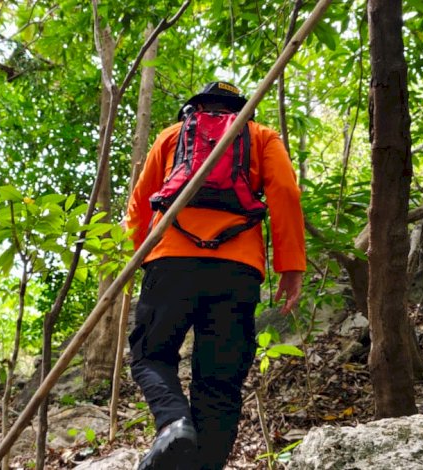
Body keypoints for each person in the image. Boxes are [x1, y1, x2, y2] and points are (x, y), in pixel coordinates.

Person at [125, 81, 306, 469]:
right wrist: (290, 266)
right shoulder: (260, 136)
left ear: (196, 109)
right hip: (236, 271)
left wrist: (137, 257)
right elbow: (286, 193)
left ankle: (173, 424)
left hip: (170, 260)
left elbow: (140, 203)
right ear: (242, 109)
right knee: (219, 382)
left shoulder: (172, 136)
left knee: (150, 356)